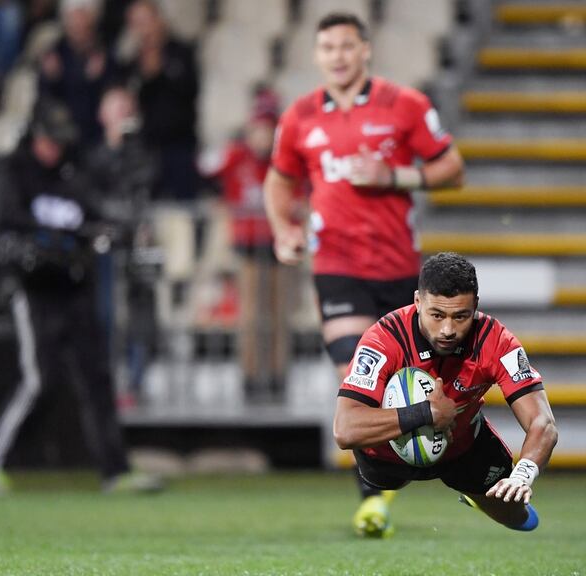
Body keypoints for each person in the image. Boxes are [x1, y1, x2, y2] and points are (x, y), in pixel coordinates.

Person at [264, 12, 465, 535]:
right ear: (316, 55)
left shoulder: (405, 105)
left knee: (429, 384)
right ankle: (373, 497)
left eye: (346, 46)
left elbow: (452, 168)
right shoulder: (301, 116)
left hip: (399, 269)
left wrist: (394, 175)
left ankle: (458, 465)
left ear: (366, 50)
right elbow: (278, 181)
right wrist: (283, 229)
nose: (337, 56)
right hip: (336, 267)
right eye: (327, 47)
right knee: (356, 378)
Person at [0, 98, 162, 495]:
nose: (54, 148)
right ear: (35, 135)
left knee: (97, 377)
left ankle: (114, 470)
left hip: (75, 285)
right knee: (39, 379)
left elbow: (95, 216)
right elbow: (4, 228)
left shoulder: (73, 172)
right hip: (36, 289)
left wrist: (108, 230)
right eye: (49, 140)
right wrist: (45, 244)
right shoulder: (13, 170)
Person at [333, 252, 558, 537]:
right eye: (437, 315)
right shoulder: (384, 339)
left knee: (518, 517)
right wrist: (427, 413)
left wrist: (524, 473)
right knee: (381, 477)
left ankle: (477, 496)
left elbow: (544, 423)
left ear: (475, 306)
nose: (448, 330)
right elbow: (345, 429)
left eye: (461, 316)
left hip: (464, 450)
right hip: (386, 458)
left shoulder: (497, 341)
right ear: (417, 302)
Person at [200, 88, 292, 398]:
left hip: (279, 244)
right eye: (257, 129)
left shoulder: (285, 162)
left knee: (279, 315)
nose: (261, 137)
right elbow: (206, 168)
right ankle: (250, 377)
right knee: (251, 315)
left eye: (267, 130)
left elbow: (302, 193)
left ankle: (278, 377)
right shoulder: (236, 156)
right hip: (247, 246)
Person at [83, 84, 160, 405]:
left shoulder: (143, 156)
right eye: (116, 108)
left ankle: (135, 383)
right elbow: (91, 198)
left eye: (127, 109)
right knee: (104, 317)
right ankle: (103, 383)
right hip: (103, 251)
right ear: (102, 115)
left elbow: (142, 190)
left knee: (139, 316)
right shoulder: (93, 158)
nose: (122, 116)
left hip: (134, 250)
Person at [119, 0, 200, 201]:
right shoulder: (129, 63)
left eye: (146, 21)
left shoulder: (181, 52)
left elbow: (190, 91)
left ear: (159, 21)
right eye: (136, 23)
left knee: (182, 210)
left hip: (179, 147)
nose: (143, 29)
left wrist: (161, 71)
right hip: (144, 150)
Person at [37, 0, 115, 148]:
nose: (78, 24)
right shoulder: (55, 53)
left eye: (83, 17)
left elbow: (107, 102)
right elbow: (45, 100)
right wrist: (51, 79)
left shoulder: (104, 54)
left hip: (94, 134)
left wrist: (95, 81)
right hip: (59, 135)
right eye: (73, 18)